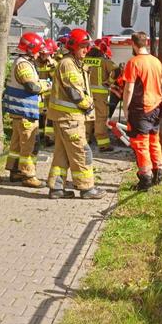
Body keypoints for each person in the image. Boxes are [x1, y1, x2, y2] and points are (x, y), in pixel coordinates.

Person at [46, 28, 104, 200]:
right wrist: (89, 106)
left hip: (66, 119)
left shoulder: (74, 63)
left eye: (87, 46)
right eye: (83, 46)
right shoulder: (68, 64)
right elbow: (75, 93)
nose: (86, 50)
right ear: (73, 46)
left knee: (62, 155)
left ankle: (56, 188)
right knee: (82, 152)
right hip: (70, 119)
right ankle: (87, 188)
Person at [2, 33, 50, 189]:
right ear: (31, 49)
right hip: (25, 112)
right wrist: (46, 85)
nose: (40, 53)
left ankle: (15, 171)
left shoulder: (23, 62)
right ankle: (28, 175)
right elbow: (32, 87)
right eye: (38, 49)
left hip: (20, 112)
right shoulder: (23, 64)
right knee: (30, 144)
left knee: (17, 145)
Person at [122, 31, 162, 191]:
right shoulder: (156, 62)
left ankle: (145, 178)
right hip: (156, 107)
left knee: (140, 143)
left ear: (133, 44)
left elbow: (129, 89)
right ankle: (158, 173)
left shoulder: (134, 63)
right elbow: (160, 82)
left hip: (141, 108)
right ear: (145, 43)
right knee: (154, 141)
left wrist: (126, 108)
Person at [83, 38, 118, 152]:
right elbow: (117, 70)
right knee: (100, 118)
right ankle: (103, 144)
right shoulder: (103, 61)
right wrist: (109, 82)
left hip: (86, 95)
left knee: (87, 117)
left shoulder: (83, 61)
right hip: (100, 96)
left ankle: (85, 141)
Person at [37, 38, 58, 145]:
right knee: (40, 116)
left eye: (45, 54)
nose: (43, 56)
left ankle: (49, 137)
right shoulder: (36, 62)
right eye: (42, 54)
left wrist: (51, 65)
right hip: (38, 95)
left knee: (49, 116)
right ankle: (39, 135)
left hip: (49, 96)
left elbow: (56, 78)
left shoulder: (53, 63)